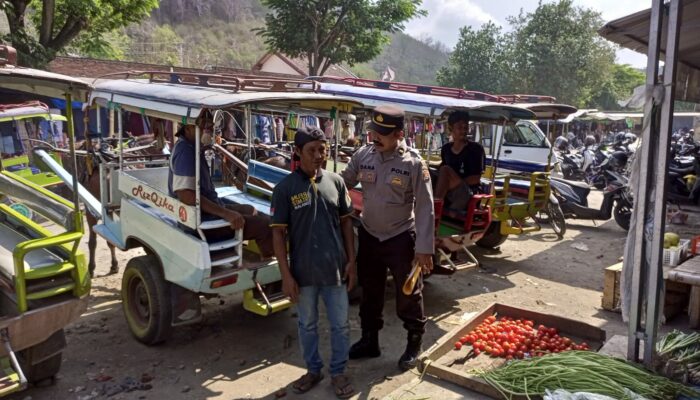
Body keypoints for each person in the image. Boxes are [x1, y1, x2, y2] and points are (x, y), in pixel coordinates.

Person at [341, 105, 435, 371]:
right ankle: (370, 340)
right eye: (374, 131)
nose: (375, 137)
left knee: (409, 294)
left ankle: (414, 342)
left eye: (382, 133)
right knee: (370, 292)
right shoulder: (364, 155)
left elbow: (425, 207)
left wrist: (424, 248)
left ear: (399, 134)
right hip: (370, 235)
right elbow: (344, 181)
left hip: (400, 237)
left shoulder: (414, 162)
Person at [270, 127, 356, 399]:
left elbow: (346, 225)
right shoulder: (285, 189)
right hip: (303, 274)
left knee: (340, 325)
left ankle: (339, 371)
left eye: (323, 149)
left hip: (335, 271)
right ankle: (313, 369)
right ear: (297, 152)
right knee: (306, 324)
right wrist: (285, 275)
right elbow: (278, 234)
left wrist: (352, 261)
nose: (319, 155)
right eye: (312, 150)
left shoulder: (336, 182)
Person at [168, 112, 274, 258]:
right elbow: (186, 195)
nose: (208, 126)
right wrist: (226, 214)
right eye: (202, 123)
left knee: (251, 210)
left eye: (209, 122)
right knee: (265, 224)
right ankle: (271, 268)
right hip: (201, 223)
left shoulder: (193, 147)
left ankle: (258, 252)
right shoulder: (186, 151)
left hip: (206, 212)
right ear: (187, 129)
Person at [434, 111, 485, 212]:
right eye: (459, 128)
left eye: (465, 127)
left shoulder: (475, 149)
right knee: (428, 172)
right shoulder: (446, 149)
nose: (463, 131)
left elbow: (476, 178)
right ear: (450, 129)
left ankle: (435, 207)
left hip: (467, 192)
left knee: (445, 170)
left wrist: (450, 185)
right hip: (450, 190)